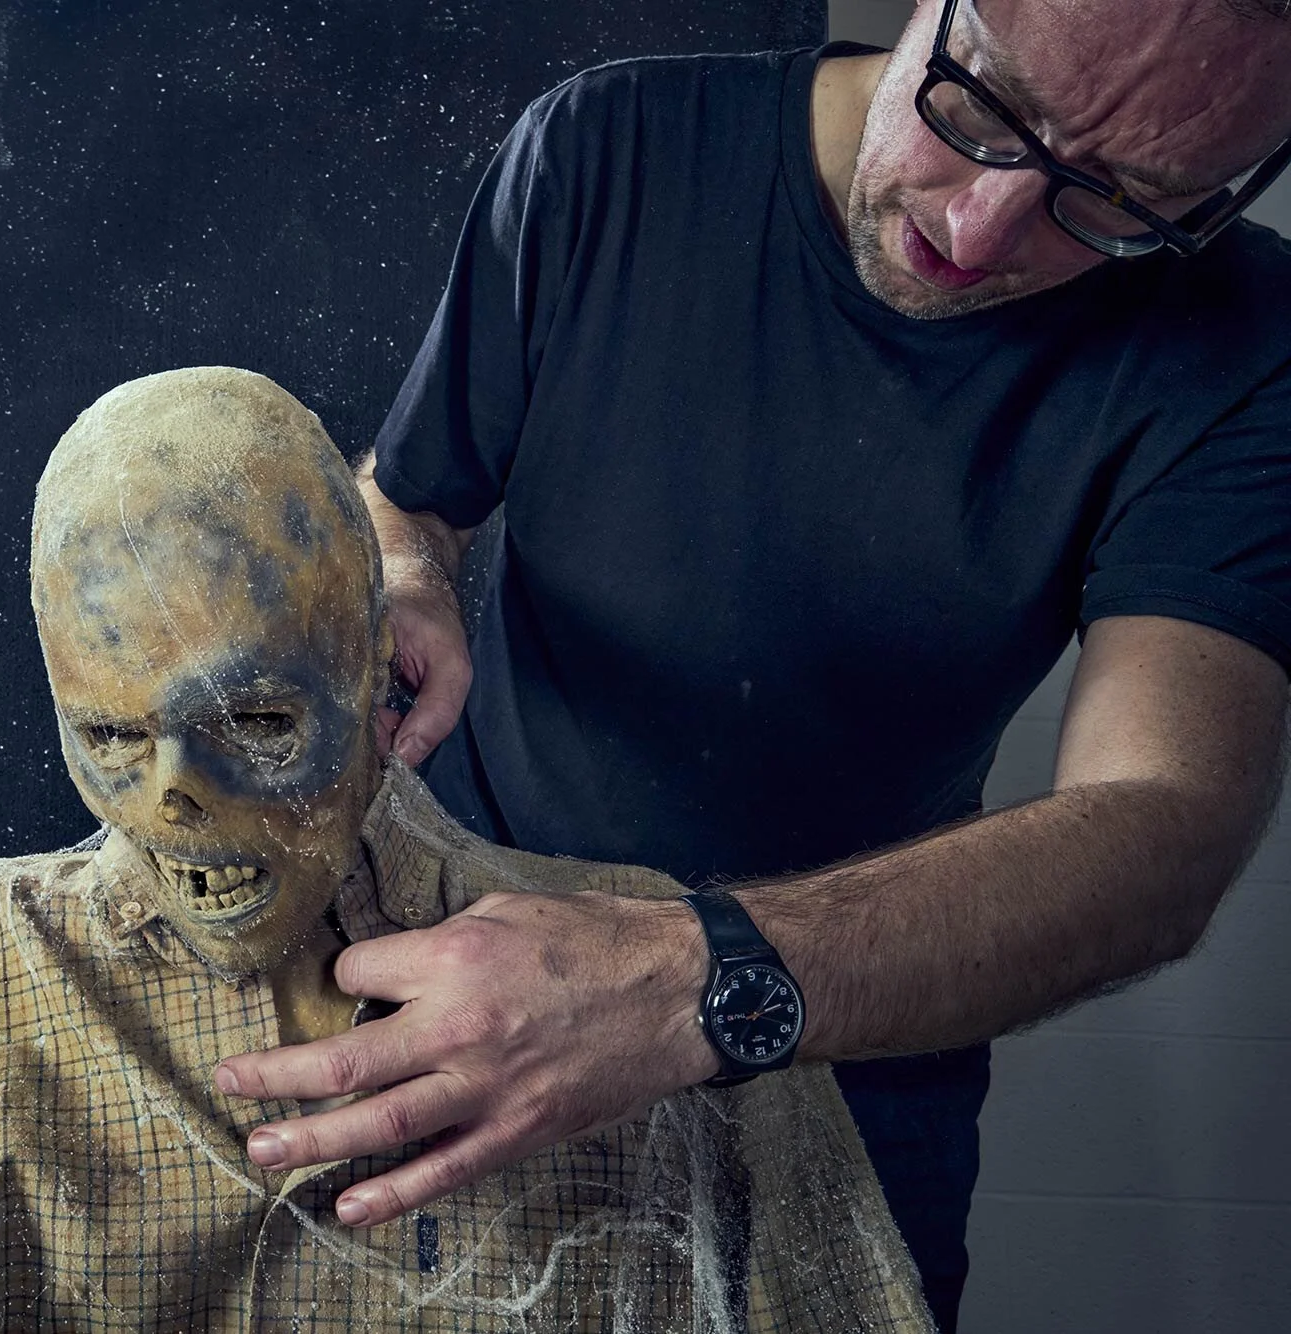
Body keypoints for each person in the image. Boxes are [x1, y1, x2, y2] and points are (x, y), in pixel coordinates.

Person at [208, 2, 1291, 1330]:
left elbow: (1165, 826)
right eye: (984, 110)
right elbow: (406, 497)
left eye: (1122, 202)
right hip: (461, 992)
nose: (981, 230)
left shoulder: (1249, 341)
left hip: (853, 1052)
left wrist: (686, 981)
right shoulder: (606, 150)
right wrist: (412, 576)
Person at [0, 367, 935, 1332]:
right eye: (108, 734)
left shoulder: (653, 984)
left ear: (380, 676)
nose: (171, 801)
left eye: (254, 722)